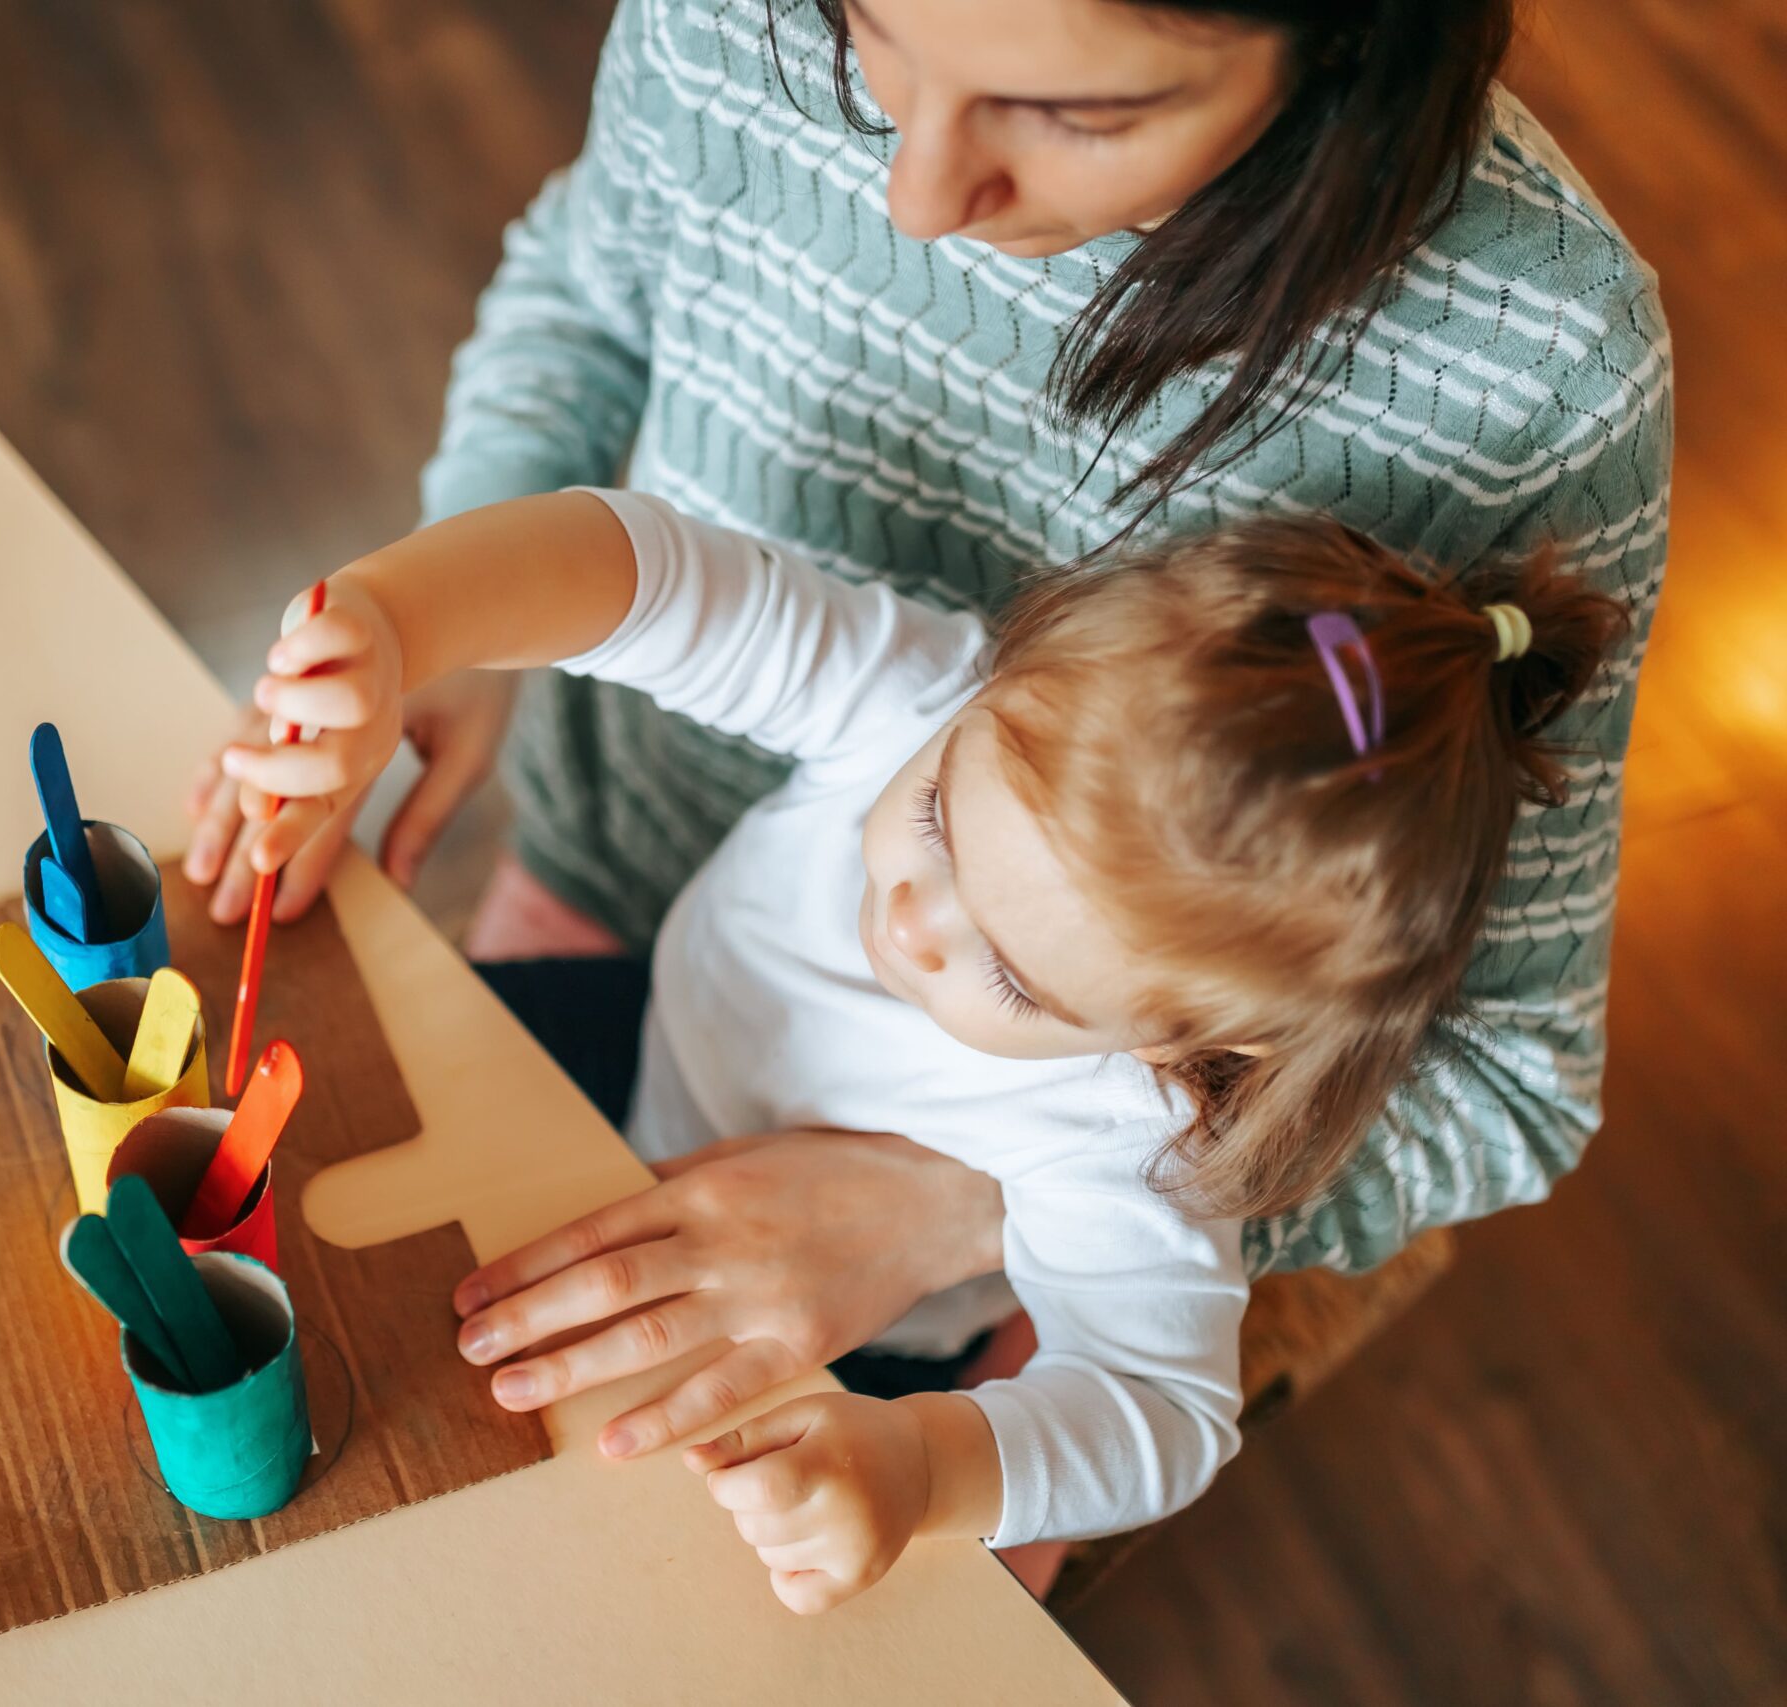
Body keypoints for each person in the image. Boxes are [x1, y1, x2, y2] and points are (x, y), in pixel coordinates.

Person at [184, 0, 1671, 1466]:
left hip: (909, 1302)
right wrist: (426, 615)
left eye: (1079, 113)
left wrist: (954, 1224)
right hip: (613, 898)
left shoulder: (1543, 361)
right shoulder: (916, 704)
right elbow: (621, 417)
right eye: (864, 27)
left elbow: (1497, 1098)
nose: (916, 196)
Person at [213, 486, 1623, 1610]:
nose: (910, 915)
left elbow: (1166, 1414)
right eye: (942, 817)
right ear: (1009, 677)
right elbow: (640, 569)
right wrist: (403, 620)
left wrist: (927, 1465)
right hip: (626, 1052)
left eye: (1010, 973)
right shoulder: (921, 696)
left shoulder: (1130, 1139)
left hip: (821, 1350)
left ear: (1192, 1042)